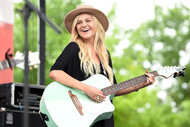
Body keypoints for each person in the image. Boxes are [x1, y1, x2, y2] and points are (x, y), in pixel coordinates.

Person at [49, 5, 155, 127]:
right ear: (76, 28)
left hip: (103, 118)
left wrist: (141, 84)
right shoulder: (74, 47)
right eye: (79, 23)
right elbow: (55, 72)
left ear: (97, 25)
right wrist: (86, 88)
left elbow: (113, 89)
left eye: (88, 20)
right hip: (81, 116)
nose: (83, 25)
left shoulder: (105, 54)